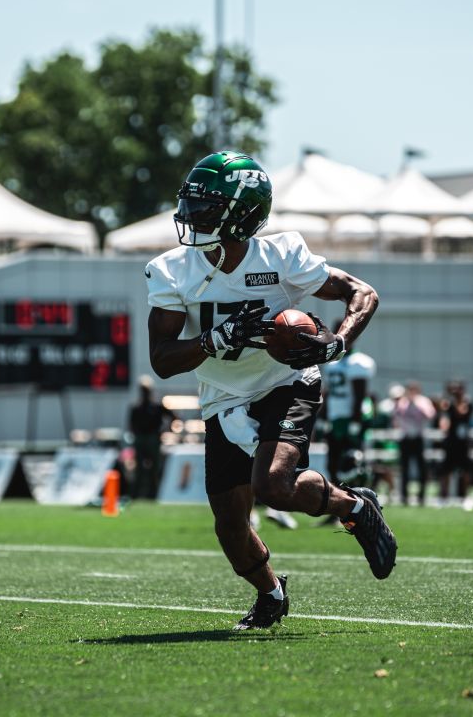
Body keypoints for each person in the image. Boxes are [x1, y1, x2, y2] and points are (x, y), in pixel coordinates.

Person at [145, 151, 397, 630]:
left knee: (273, 486)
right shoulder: (173, 269)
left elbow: (362, 293)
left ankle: (355, 506)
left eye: (206, 206)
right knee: (230, 526)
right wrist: (212, 340)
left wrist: (338, 342)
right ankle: (272, 594)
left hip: (286, 381)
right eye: (190, 204)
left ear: (242, 214)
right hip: (223, 396)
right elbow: (161, 360)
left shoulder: (281, 255)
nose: (191, 216)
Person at [317, 346, 376, 524]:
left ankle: (360, 508)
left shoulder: (358, 362)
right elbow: (327, 393)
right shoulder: (333, 363)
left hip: (349, 419)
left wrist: (356, 422)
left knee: (352, 466)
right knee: (333, 465)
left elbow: (360, 395)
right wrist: (324, 417)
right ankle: (336, 509)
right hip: (336, 421)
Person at [127, 375, 175, 499]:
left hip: (153, 439)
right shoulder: (136, 407)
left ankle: (153, 496)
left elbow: (174, 417)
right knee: (139, 470)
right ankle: (136, 496)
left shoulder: (157, 407)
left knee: (154, 470)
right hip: (141, 440)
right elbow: (130, 425)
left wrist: (165, 430)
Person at [393, 381, 436, 506]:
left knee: (422, 468)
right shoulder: (402, 402)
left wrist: (416, 405)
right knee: (404, 468)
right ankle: (404, 496)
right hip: (406, 438)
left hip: (418, 437)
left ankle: (421, 497)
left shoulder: (423, 401)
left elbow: (430, 415)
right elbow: (396, 415)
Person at [437, 380, 473, 505]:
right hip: (451, 442)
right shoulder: (448, 403)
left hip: (463, 443)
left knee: (465, 471)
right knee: (446, 470)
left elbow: (461, 412)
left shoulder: (468, 402)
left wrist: (456, 400)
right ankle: (444, 497)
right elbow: (443, 418)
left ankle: (465, 496)